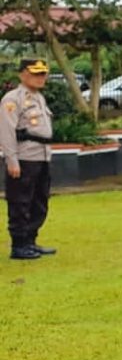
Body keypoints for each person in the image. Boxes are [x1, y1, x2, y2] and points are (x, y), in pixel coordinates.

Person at [1, 58, 54, 259]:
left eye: (43, 74)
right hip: (24, 158)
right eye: (36, 73)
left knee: (39, 201)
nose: (41, 78)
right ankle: (19, 245)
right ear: (22, 74)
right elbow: (6, 131)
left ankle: (31, 240)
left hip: (42, 156)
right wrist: (11, 160)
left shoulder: (39, 98)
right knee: (20, 201)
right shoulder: (12, 99)